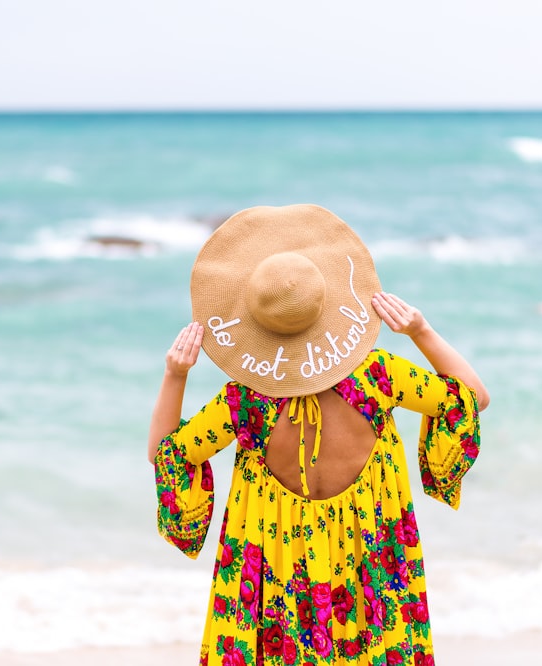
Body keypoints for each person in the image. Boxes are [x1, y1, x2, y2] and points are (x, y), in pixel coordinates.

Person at [148, 204, 489, 666]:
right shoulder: (377, 377)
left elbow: (165, 456)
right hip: (371, 569)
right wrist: (419, 330)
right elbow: (471, 398)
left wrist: (175, 375)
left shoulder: (245, 401)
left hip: (277, 579)